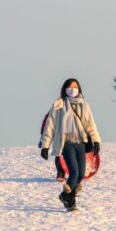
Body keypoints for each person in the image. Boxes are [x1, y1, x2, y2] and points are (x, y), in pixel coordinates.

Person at [39, 78, 102, 212]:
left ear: (79, 89)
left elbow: (91, 124)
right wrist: (45, 145)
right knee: (73, 172)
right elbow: (49, 126)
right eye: (69, 87)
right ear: (65, 89)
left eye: (75, 87)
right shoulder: (58, 105)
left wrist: (96, 140)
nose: (72, 89)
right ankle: (70, 201)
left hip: (80, 142)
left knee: (81, 174)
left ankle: (66, 196)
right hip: (66, 142)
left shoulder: (84, 104)